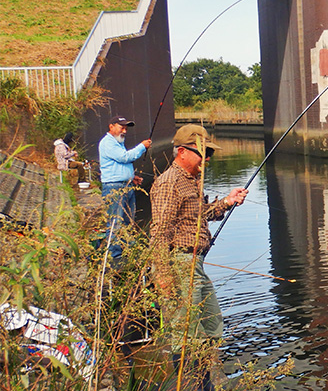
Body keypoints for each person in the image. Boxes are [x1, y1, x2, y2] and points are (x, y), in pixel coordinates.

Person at [150, 124, 247, 391]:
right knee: (186, 336)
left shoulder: (190, 180)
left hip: (195, 265)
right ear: (182, 151)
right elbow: (159, 232)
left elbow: (200, 215)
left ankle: (204, 382)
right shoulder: (170, 183)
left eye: (209, 155)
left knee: (212, 326)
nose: (206, 160)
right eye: (202, 153)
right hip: (180, 265)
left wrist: (227, 202)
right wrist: (162, 274)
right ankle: (192, 384)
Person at [98, 115, 152, 261]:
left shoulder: (118, 142)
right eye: (122, 127)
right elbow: (124, 157)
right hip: (114, 189)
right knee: (116, 222)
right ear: (111, 126)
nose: (125, 131)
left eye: (126, 128)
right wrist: (142, 146)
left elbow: (119, 164)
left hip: (126, 186)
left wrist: (131, 177)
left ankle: (126, 250)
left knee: (128, 222)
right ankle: (115, 256)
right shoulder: (108, 143)